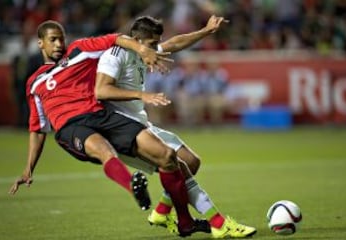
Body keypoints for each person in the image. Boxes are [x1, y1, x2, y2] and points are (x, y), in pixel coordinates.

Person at [8, 20, 206, 237]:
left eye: (61, 39)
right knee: (104, 150)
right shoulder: (34, 82)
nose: (58, 44)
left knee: (168, 156)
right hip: (70, 126)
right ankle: (134, 186)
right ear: (40, 43)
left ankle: (181, 220)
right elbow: (37, 128)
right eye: (52, 40)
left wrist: (142, 49)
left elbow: (116, 38)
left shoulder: (80, 50)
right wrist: (29, 168)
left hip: (101, 115)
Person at [95, 15, 257, 238]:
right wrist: (142, 94)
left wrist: (206, 31)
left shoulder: (144, 51)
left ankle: (162, 212)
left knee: (192, 161)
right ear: (136, 40)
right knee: (179, 166)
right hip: (123, 129)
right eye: (151, 45)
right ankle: (218, 223)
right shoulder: (114, 55)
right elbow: (101, 90)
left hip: (142, 123)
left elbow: (174, 43)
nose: (155, 50)